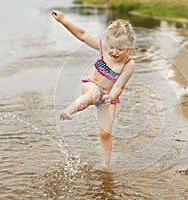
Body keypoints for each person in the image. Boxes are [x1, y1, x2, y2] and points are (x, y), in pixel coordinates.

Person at [51, 10, 135, 170]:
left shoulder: (129, 65)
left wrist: (111, 97)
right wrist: (63, 20)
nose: (114, 52)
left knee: (105, 133)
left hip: (109, 96)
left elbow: (120, 86)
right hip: (91, 85)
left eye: (120, 49)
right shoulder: (103, 49)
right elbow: (82, 35)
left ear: (128, 47)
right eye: (112, 47)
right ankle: (69, 110)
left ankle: (105, 167)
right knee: (94, 94)